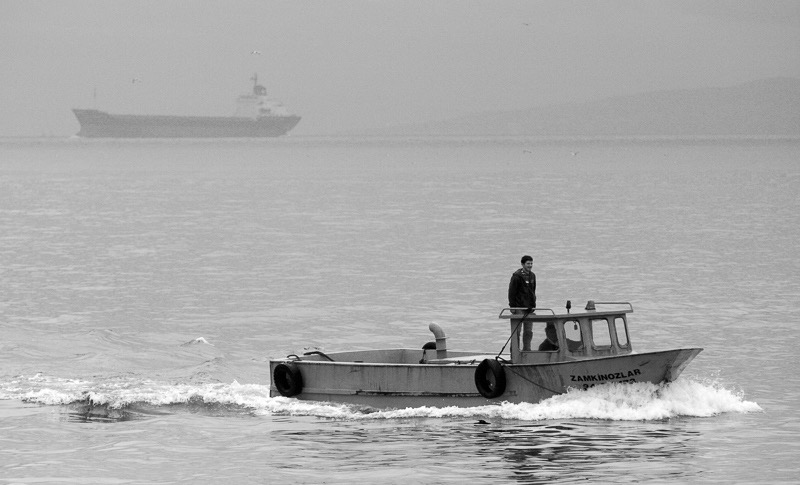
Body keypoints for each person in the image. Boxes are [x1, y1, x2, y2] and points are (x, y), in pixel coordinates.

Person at [508, 255, 537, 350]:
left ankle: (527, 350)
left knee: (528, 332)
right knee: (517, 332)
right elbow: (511, 292)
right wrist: (512, 307)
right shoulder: (516, 276)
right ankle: (514, 352)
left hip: (529, 309)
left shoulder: (532, 275)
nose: (530, 265)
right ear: (522, 264)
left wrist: (533, 305)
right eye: (528, 263)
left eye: (531, 263)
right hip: (519, 308)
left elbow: (533, 291)